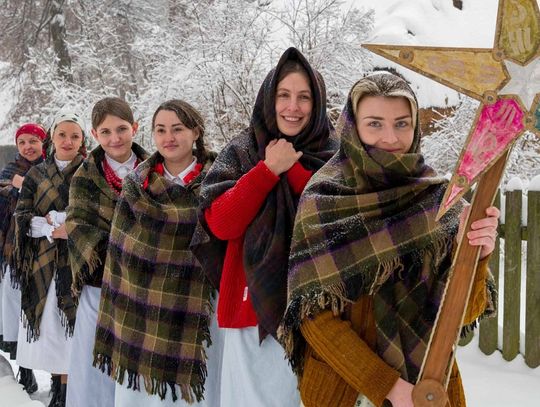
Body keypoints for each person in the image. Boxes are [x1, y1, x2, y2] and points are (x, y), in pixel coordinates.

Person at [278, 71, 499, 407]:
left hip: (430, 388)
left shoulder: (442, 200)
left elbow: (464, 315)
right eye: (375, 123)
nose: (391, 137)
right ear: (353, 127)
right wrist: (390, 387)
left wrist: (477, 256)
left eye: (401, 123)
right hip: (349, 390)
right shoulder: (324, 197)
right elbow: (314, 319)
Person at [190, 47, 337, 407]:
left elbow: (336, 221)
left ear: (316, 104)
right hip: (250, 306)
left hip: (319, 313)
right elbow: (221, 224)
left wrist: (297, 171)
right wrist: (267, 170)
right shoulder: (243, 149)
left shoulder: (336, 154)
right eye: (283, 95)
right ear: (269, 99)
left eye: (304, 97)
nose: (293, 107)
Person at [93, 99, 221, 406]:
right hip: (142, 311)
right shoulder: (136, 185)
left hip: (198, 310)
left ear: (196, 132)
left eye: (178, 129)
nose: (169, 137)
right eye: (161, 130)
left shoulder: (220, 179)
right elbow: (121, 252)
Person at [65, 97, 148, 407]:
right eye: (106, 131)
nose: (115, 138)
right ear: (94, 134)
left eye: (122, 129)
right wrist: (115, 255)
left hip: (145, 283)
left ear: (135, 127)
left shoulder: (154, 169)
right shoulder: (84, 177)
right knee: (96, 363)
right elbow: (77, 225)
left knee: (137, 361)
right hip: (101, 283)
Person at [14, 113, 87, 407]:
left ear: (83, 141)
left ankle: (72, 390)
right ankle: (58, 390)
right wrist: (48, 228)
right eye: (62, 135)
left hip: (80, 262)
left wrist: (67, 222)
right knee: (52, 329)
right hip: (42, 262)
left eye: (75, 136)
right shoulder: (36, 174)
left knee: (75, 327)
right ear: (52, 138)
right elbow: (23, 216)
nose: (68, 142)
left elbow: (98, 212)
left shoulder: (91, 170)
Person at [0, 123, 47, 394]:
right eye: (22, 142)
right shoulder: (9, 173)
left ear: (43, 143)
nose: (28, 146)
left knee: (44, 312)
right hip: (13, 254)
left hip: (44, 249)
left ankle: (57, 377)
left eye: (33, 141)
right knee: (15, 309)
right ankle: (25, 370)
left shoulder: (53, 169)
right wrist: (19, 186)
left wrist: (26, 186)